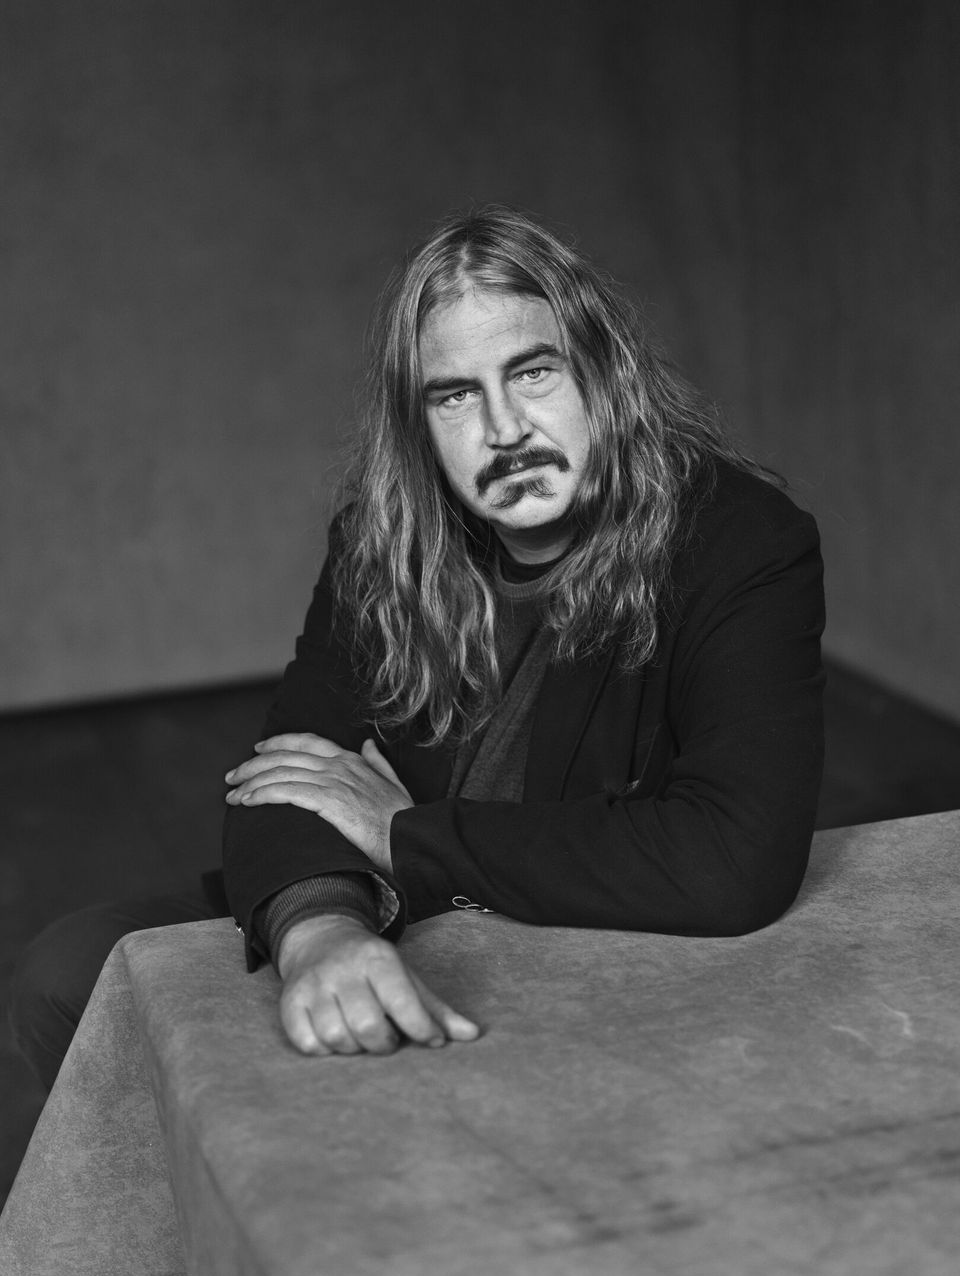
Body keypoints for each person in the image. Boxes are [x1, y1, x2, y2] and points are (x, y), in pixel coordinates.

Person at [10, 206, 825, 1085]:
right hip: (388, 898)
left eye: (534, 372)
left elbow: (732, 857)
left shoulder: (737, 540)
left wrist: (403, 833)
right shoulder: (383, 541)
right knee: (65, 974)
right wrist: (322, 930)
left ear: (604, 372)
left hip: (576, 916)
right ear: (420, 424)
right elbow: (288, 770)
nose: (505, 428)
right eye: (456, 394)